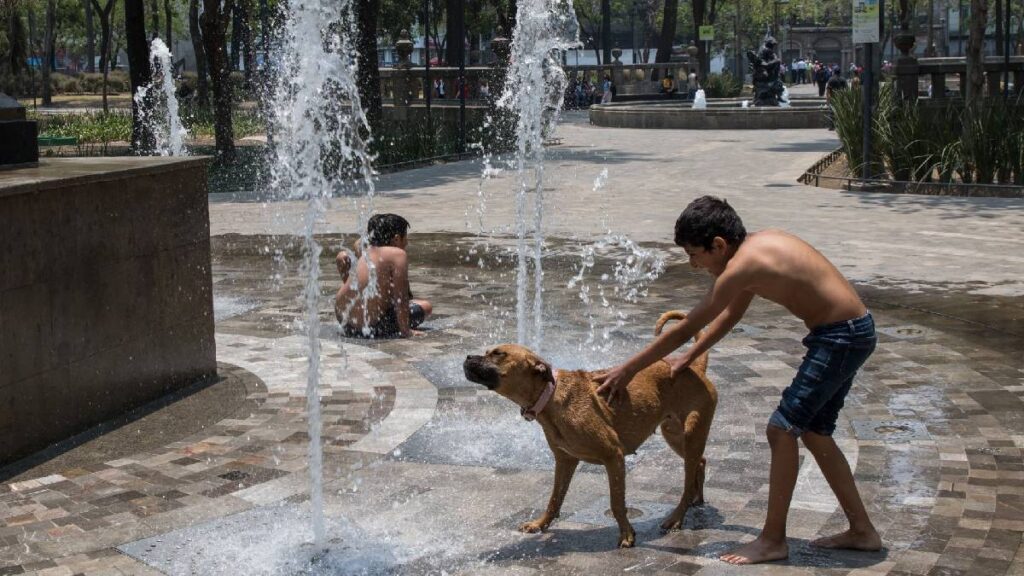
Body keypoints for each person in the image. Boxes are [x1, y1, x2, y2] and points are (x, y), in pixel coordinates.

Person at [594, 196, 882, 565]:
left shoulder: (741, 267)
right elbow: (731, 314)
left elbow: (690, 325)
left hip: (841, 336)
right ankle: (862, 531)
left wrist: (627, 369)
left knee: (782, 429)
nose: (693, 264)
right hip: (850, 332)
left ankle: (772, 540)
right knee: (814, 432)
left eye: (695, 255)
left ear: (719, 245)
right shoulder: (755, 252)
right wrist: (691, 357)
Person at [335, 214, 433, 339]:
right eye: (406, 238)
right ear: (397, 239)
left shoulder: (366, 248)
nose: (407, 243)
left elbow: (358, 243)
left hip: (344, 322)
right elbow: (401, 298)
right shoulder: (397, 254)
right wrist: (406, 331)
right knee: (426, 306)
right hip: (369, 327)